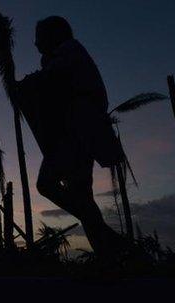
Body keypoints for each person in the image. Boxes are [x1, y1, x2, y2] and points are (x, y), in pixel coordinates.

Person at [14, 16, 124, 259]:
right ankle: (109, 255)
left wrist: (26, 84)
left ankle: (108, 241)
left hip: (77, 134)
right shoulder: (64, 56)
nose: (35, 44)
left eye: (39, 37)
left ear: (53, 35)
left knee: (48, 184)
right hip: (78, 133)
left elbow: (53, 80)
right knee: (82, 195)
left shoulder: (69, 51)